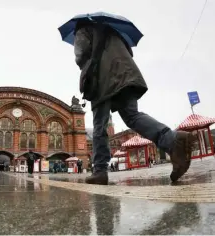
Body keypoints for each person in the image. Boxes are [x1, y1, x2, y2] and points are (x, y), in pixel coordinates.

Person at [73, 21, 197, 185]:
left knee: (99, 125)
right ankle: (173, 141)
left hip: (101, 79)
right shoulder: (114, 32)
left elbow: (81, 55)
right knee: (132, 116)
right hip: (126, 75)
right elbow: (129, 52)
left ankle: (100, 170)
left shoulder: (83, 28)